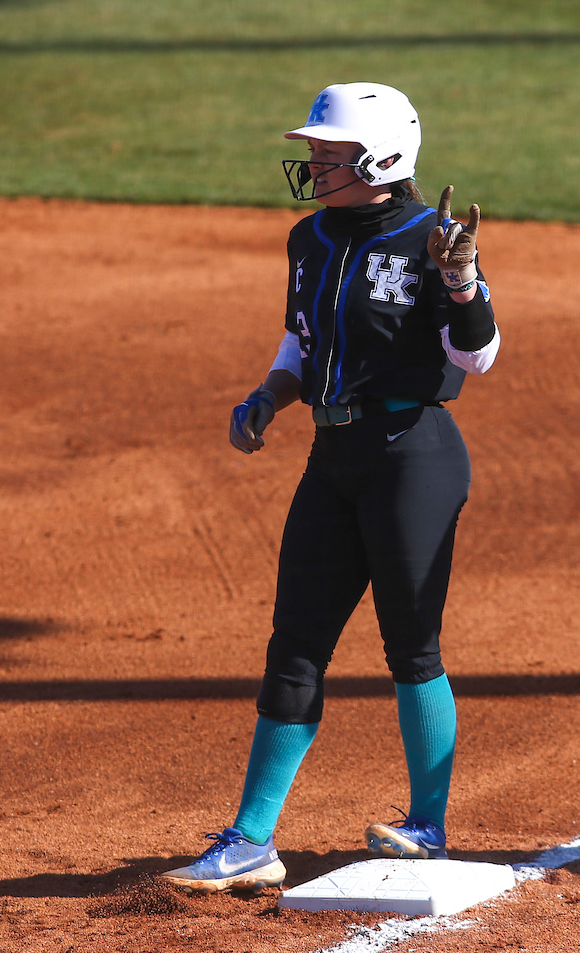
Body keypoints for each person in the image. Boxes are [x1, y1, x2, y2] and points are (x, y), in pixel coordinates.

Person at [162, 82, 500, 893]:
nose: (312, 162)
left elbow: (476, 357)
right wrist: (269, 396)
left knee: (410, 644)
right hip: (333, 455)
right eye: (314, 150)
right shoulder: (308, 238)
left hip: (413, 453)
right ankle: (250, 839)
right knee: (296, 643)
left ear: (380, 158)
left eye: (328, 152)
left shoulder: (433, 238)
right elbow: (301, 336)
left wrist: (461, 283)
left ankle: (427, 825)